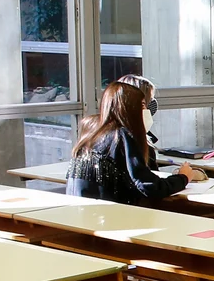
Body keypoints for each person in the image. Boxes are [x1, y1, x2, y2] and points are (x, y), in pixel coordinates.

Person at [67, 74, 205, 203]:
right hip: (112, 214)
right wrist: (183, 178)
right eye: (144, 105)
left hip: (82, 209)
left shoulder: (91, 129)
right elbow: (149, 186)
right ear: (131, 108)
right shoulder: (123, 135)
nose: (147, 111)